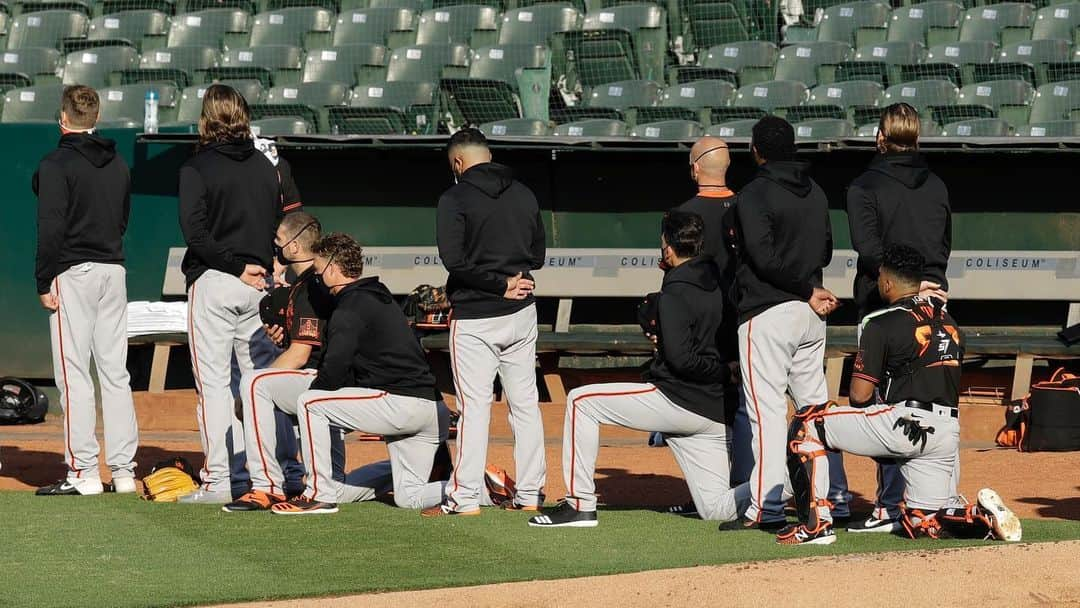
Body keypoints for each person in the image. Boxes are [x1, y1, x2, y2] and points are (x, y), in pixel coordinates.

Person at [780, 244, 1021, 545]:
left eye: (880, 276)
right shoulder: (948, 321)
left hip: (905, 423)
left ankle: (815, 527)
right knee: (925, 521)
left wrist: (879, 442)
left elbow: (859, 395)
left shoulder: (880, 321)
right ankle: (981, 517)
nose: (879, 282)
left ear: (889, 282)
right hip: (945, 432)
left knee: (807, 424)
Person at [528, 211, 749, 528]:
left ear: (668, 248)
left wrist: (714, 369)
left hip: (678, 401)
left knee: (580, 401)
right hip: (714, 413)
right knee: (715, 508)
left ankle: (580, 505)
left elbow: (681, 360)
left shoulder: (676, 291)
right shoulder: (719, 284)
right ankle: (782, 481)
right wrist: (724, 372)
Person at [271, 234, 452, 515]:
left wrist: (317, 415)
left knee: (309, 403)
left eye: (318, 271)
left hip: (402, 404)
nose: (317, 277)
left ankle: (318, 494)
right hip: (431, 411)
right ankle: (475, 487)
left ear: (332, 268)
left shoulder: (349, 308)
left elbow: (331, 376)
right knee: (410, 497)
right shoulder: (378, 295)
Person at [842, 103, 954, 533]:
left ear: (880, 137)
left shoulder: (864, 185)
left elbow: (868, 251)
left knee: (883, 406)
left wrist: (907, 286)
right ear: (917, 137)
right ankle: (932, 503)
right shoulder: (937, 185)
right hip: (936, 302)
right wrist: (927, 285)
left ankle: (890, 507)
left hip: (885, 305)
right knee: (936, 403)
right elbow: (943, 246)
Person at [424, 128, 547, 516]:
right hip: (522, 312)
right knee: (525, 406)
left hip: (477, 315)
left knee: (475, 408)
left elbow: (455, 262)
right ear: (489, 155)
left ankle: (463, 500)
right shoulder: (524, 192)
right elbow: (538, 255)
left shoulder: (454, 196)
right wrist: (511, 279)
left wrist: (497, 283)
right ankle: (530, 495)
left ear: (458, 162)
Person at [733, 116, 842, 530]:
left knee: (767, 414)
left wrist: (799, 287)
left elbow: (761, 258)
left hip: (769, 312)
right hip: (811, 314)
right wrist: (808, 288)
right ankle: (825, 503)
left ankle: (767, 507)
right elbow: (828, 250)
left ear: (756, 150)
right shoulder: (814, 190)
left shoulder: (755, 192)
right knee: (814, 412)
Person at [178, 84, 285, 504]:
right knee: (261, 385)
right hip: (259, 285)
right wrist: (255, 268)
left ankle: (222, 478)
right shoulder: (264, 164)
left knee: (216, 386)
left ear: (207, 118)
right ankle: (274, 474)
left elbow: (195, 234)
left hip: (218, 280)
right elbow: (276, 222)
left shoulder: (196, 167)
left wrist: (236, 266)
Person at [32, 85, 139, 496]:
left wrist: (44, 281)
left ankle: (83, 472)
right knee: (115, 373)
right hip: (113, 270)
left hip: (73, 271)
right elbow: (123, 220)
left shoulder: (56, 163)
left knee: (74, 374)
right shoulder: (118, 163)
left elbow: (50, 227)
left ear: (63, 119)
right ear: (95, 119)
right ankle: (125, 472)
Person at [666, 136, 751, 517]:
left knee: (709, 406)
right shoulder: (747, 207)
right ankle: (747, 491)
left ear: (697, 167)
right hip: (743, 317)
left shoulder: (683, 213)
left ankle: (727, 490)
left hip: (699, 324)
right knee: (745, 408)